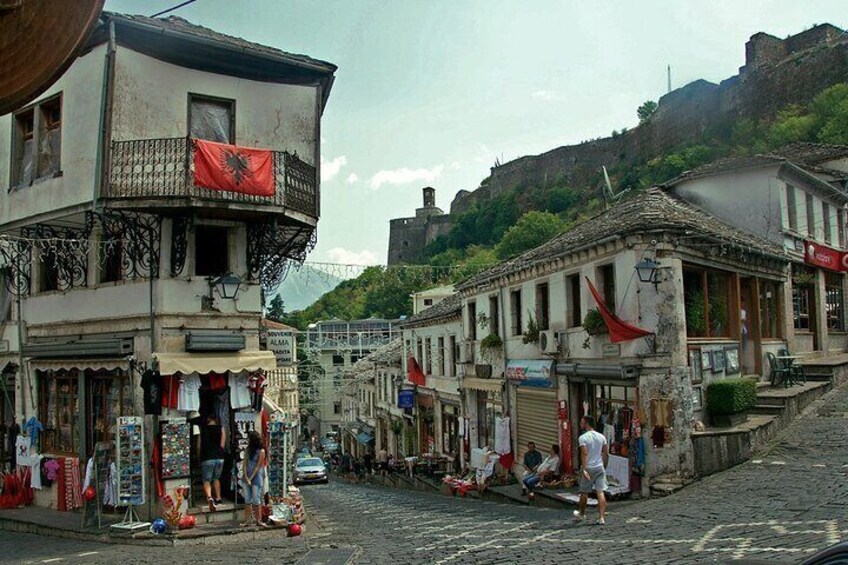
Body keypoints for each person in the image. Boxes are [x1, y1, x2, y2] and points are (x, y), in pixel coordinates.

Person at [573, 415, 609, 525]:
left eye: (582, 422)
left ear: (587, 424)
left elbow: (584, 453)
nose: (580, 424)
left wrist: (584, 469)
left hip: (589, 467)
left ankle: (582, 513)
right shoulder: (602, 437)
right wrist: (604, 465)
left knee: (584, 492)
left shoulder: (583, 438)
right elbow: (606, 453)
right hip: (599, 467)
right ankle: (601, 517)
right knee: (600, 492)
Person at [199, 414, 226, 512]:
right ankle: (219, 498)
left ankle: (209, 497)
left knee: (207, 480)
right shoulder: (221, 428)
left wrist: (199, 455)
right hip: (219, 457)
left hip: (207, 457)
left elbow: (199, 444)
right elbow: (222, 444)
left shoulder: (203, 429)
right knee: (216, 478)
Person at [241, 431, 267, 527]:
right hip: (247, 476)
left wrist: (250, 478)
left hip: (256, 477)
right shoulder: (248, 450)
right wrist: (246, 476)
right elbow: (244, 463)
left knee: (256, 500)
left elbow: (258, 466)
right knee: (247, 499)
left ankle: (258, 520)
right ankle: (247, 520)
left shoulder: (261, 451)